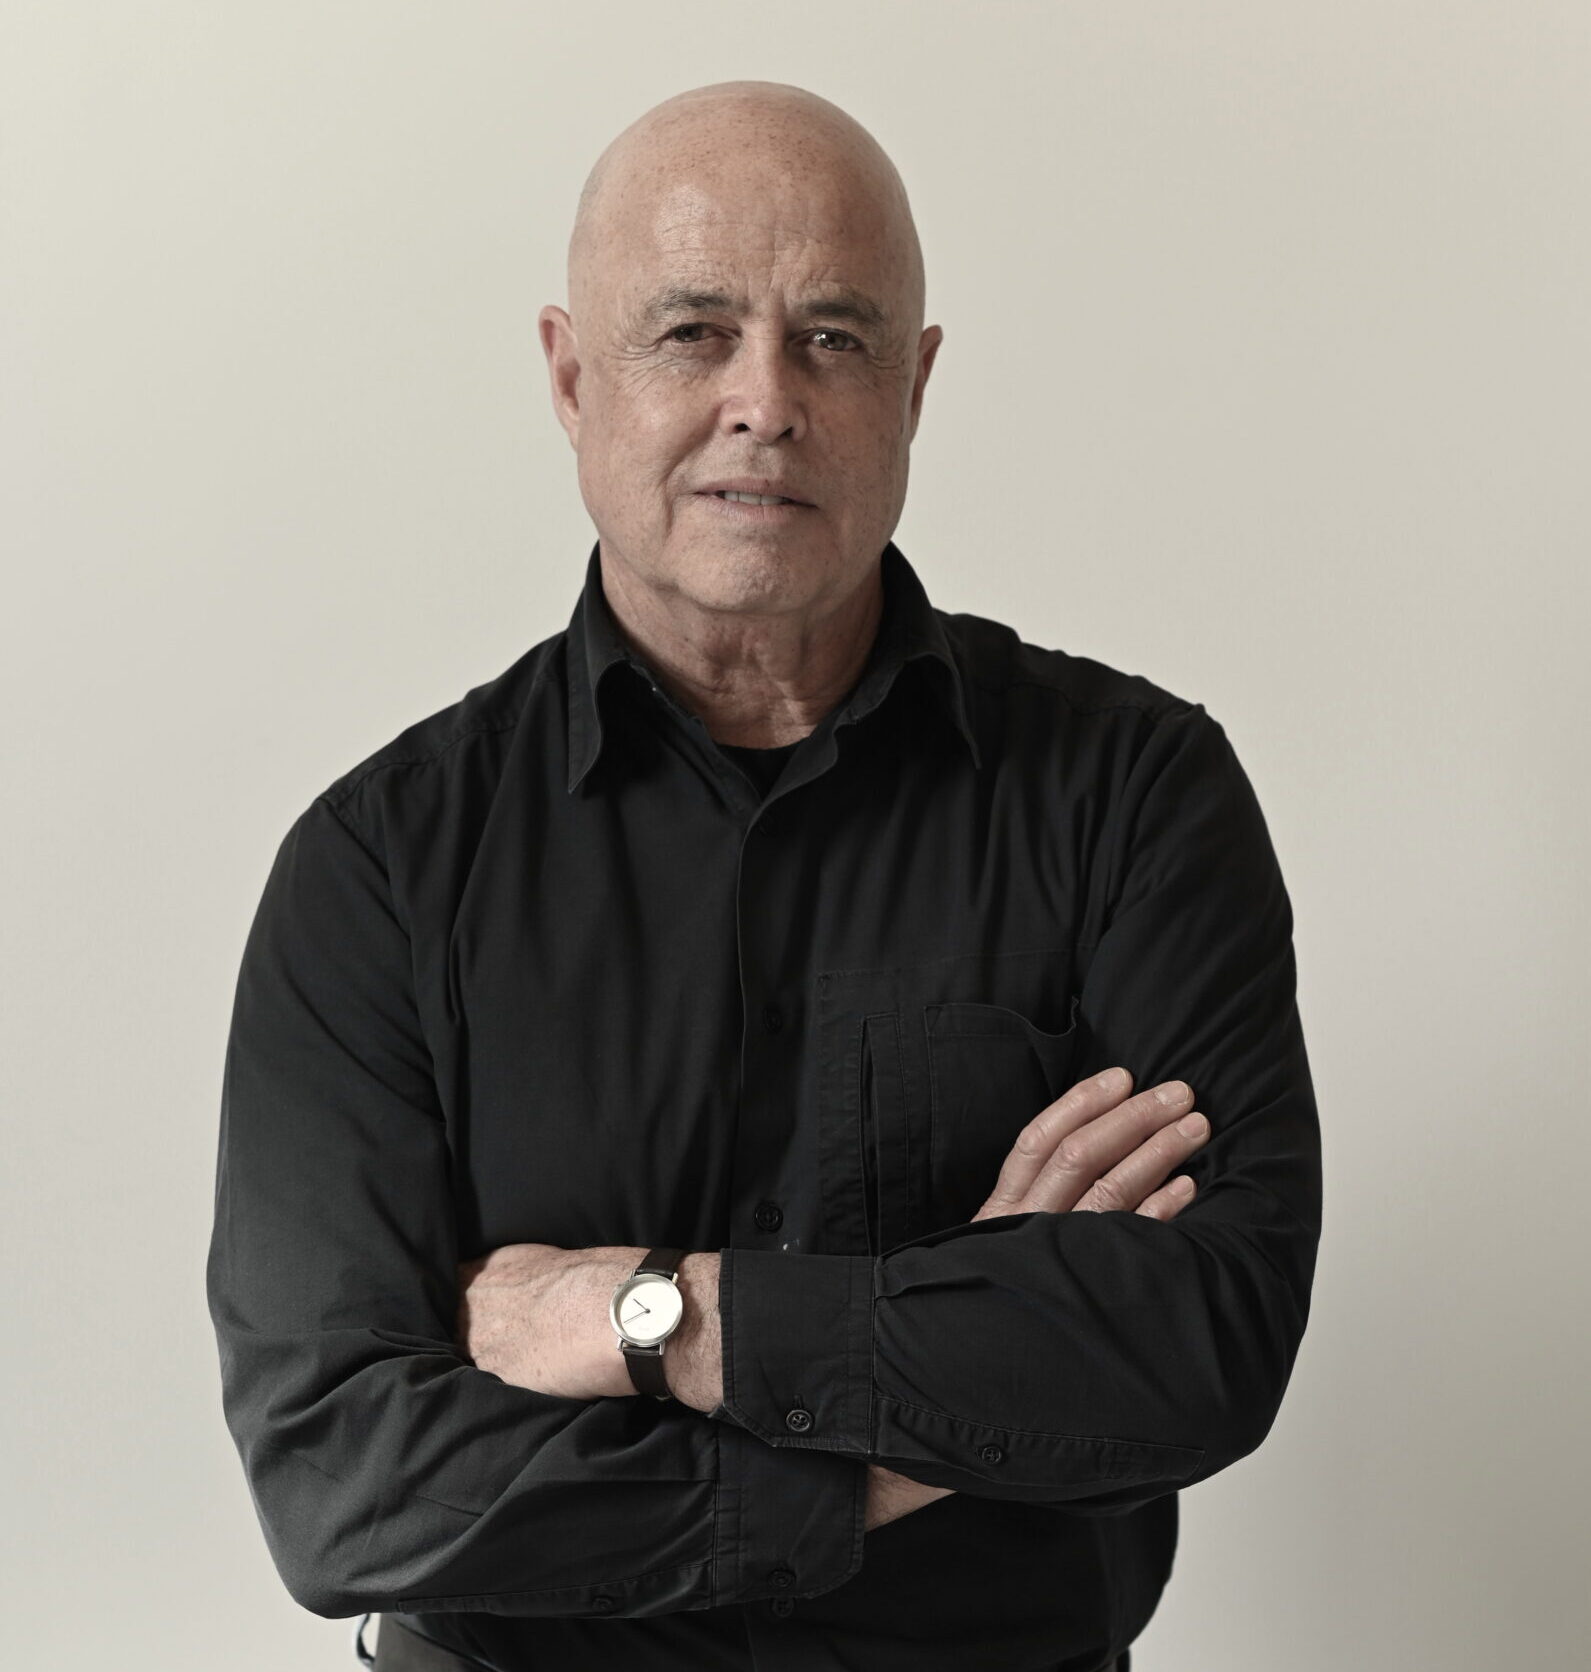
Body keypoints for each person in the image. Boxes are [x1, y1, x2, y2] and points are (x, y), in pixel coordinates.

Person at [206, 79, 1321, 1672]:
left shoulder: (1135, 797)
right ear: (571, 377)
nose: (766, 401)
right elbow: (347, 1484)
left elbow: (1201, 1343)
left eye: (834, 338)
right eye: (692, 332)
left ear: (914, 386)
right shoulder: (378, 868)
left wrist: (646, 1317)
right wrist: (918, 1423)